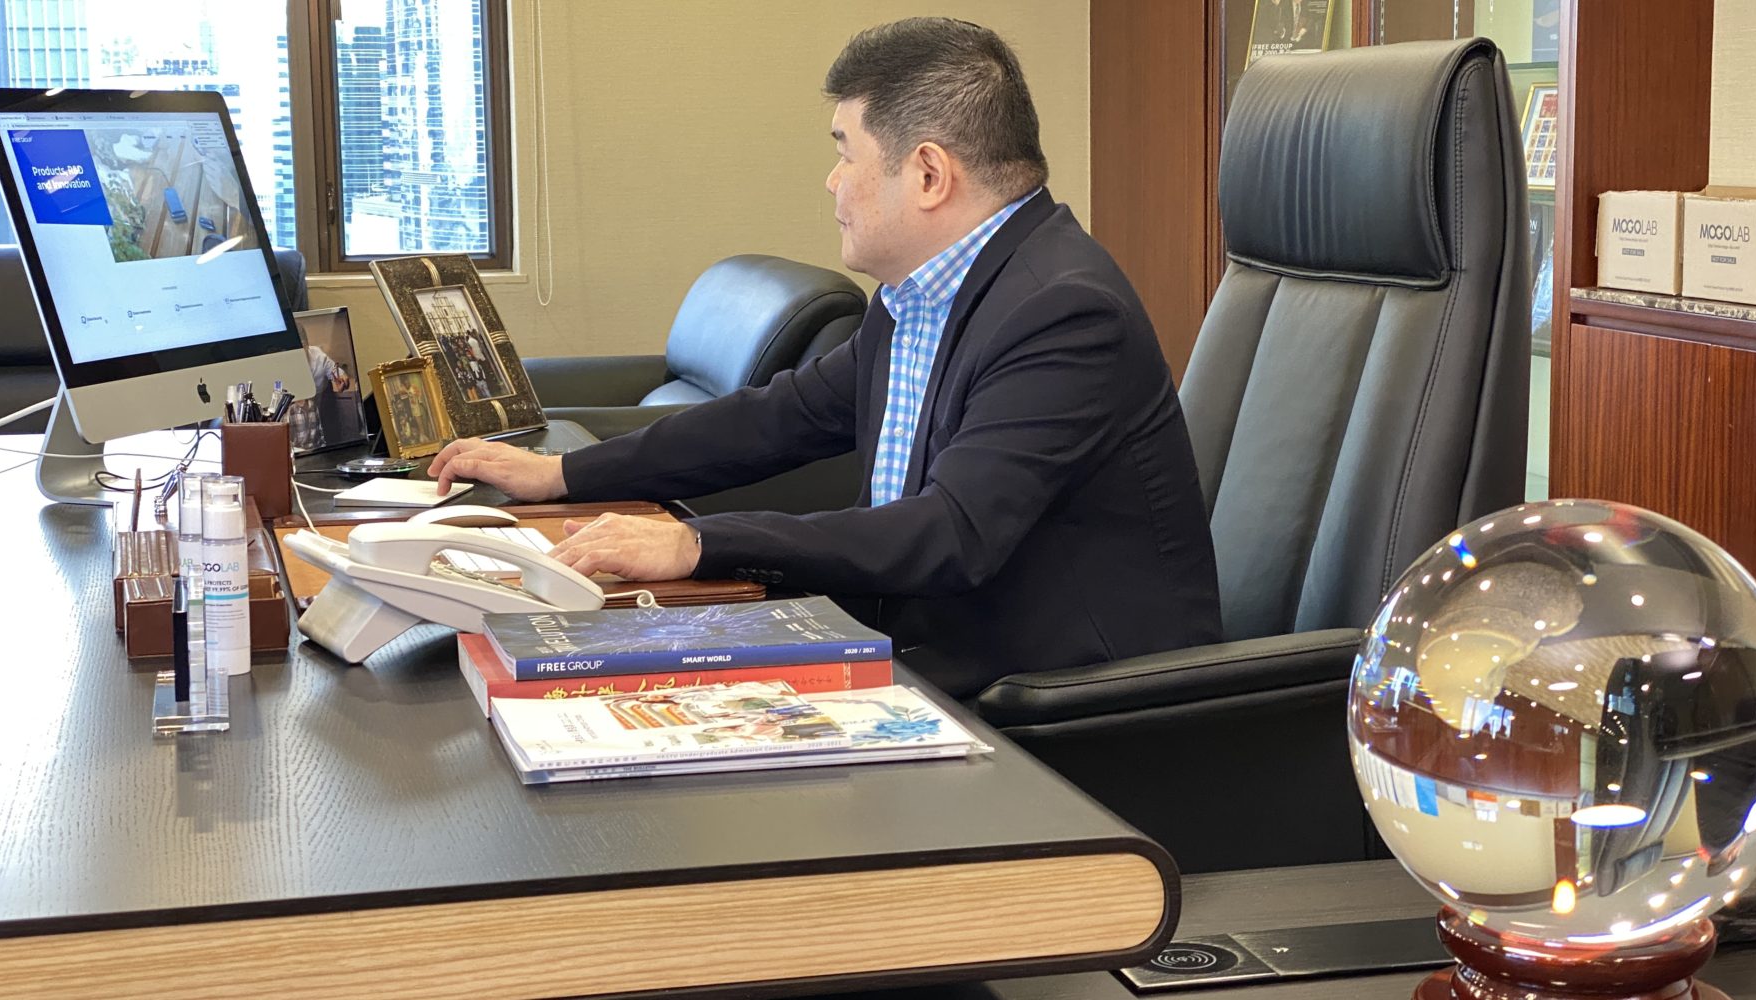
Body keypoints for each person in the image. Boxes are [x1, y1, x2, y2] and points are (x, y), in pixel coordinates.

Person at [429, 17, 1222, 697]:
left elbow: (950, 532)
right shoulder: (919, 297)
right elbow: (779, 418)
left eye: (847, 151)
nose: (832, 180)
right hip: (924, 656)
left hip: (1056, 714)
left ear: (928, 173)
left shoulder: (1061, 311)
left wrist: (700, 543)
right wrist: (563, 474)